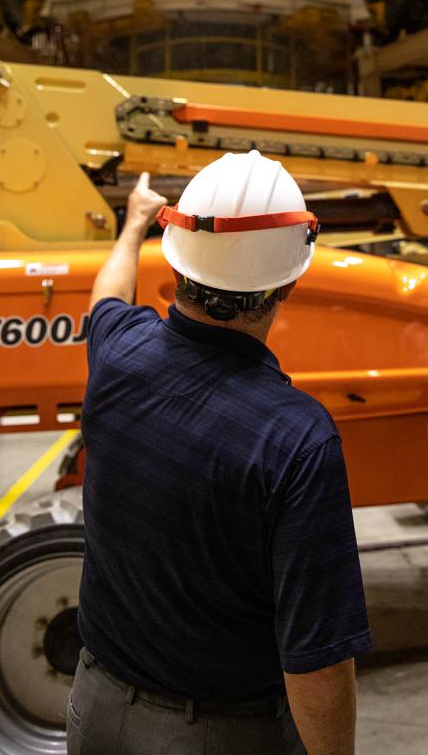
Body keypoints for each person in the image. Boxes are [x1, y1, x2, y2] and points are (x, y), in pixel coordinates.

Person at [67, 150, 372, 755]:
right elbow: (318, 665)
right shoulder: (296, 438)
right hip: (218, 734)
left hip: (93, 707)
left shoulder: (117, 353)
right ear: (290, 278)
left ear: (177, 255)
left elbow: (106, 299)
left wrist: (132, 225)